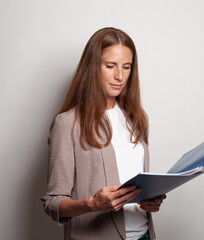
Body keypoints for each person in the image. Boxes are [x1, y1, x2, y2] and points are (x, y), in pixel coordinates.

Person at [41, 27, 166, 240]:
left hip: (143, 235)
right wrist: (91, 204)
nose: (119, 76)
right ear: (92, 67)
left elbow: (137, 185)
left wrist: (150, 199)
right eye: (110, 66)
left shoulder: (136, 119)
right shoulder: (68, 123)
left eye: (126, 67)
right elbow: (53, 203)